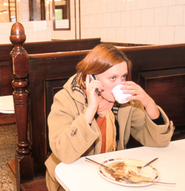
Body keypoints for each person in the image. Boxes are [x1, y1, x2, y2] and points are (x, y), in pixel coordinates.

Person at [45, 44, 174, 191]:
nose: (121, 84)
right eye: (113, 78)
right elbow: (64, 153)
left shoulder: (125, 103)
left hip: (111, 176)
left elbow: (158, 141)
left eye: (123, 76)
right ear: (92, 78)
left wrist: (149, 103)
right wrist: (91, 109)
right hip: (69, 179)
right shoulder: (65, 99)